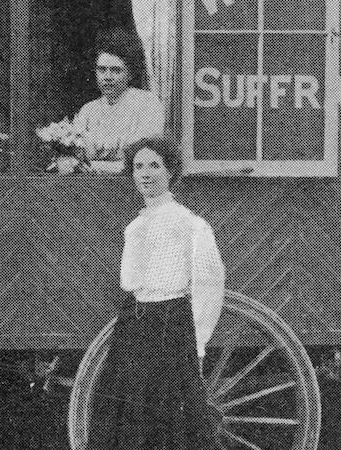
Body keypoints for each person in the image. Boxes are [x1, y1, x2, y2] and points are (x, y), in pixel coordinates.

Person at [87, 136, 226, 450]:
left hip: (169, 322)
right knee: (123, 403)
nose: (145, 174)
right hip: (134, 318)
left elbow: (208, 284)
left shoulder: (189, 224)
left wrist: (198, 343)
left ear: (171, 171)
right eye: (138, 167)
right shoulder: (137, 225)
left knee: (164, 409)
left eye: (154, 166)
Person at [56, 46, 164, 175]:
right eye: (102, 70)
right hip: (89, 185)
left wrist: (94, 161)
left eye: (116, 70)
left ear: (130, 74)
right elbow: (75, 153)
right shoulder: (88, 110)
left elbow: (142, 154)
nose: (108, 77)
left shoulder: (147, 103)